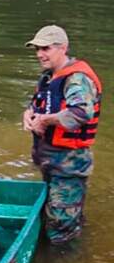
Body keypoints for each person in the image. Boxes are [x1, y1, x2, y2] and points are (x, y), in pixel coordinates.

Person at [22, 25, 102, 245]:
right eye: (37, 49)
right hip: (51, 161)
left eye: (45, 48)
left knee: (60, 230)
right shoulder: (49, 77)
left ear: (63, 48)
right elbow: (38, 105)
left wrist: (45, 120)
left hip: (69, 164)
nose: (39, 54)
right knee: (57, 213)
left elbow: (81, 113)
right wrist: (29, 115)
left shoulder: (77, 79)